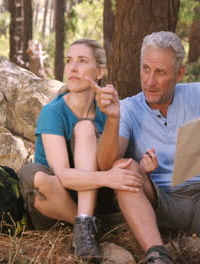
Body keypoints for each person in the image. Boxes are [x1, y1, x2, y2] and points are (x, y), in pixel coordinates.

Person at [96, 31, 200, 264]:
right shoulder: (128, 108)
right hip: (161, 205)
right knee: (122, 167)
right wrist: (113, 119)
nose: (150, 81)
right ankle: (157, 255)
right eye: (146, 69)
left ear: (180, 73)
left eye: (160, 72)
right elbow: (105, 165)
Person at [19, 39, 142, 263]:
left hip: (97, 196)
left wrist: (114, 120)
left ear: (100, 71)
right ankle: (89, 223)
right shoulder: (53, 111)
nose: (73, 68)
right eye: (69, 61)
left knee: (86, 128)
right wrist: (107, 178)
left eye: (82, 61)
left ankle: (86, 224)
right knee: (34, 176)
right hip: (57, 201)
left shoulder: (110, 111)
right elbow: (63, 175)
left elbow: (115, 161)